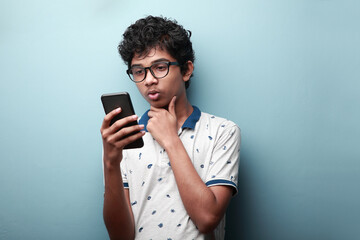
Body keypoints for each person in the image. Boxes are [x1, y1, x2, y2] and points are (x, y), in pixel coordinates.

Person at [100, 16, 240, 240]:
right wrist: (110, 162)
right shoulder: (127, 138)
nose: (149, 80)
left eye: (160, 67)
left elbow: (207, 219)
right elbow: (120, 236)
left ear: (186, 70)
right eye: (139, 71)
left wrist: (171, 140)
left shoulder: (223, 131)